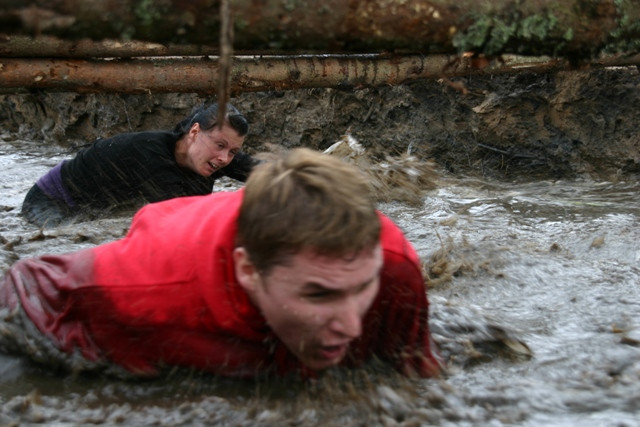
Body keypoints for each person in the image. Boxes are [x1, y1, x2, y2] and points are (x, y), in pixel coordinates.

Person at [1, 148, 442, 379]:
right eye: (318, 293)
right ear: (248, 271)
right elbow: (24, 288)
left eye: (360, 288)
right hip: (175, 243)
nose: (352, 325)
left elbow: (416, 375)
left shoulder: (393, 270)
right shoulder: (140, 290)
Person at [21, 102, 257, 227]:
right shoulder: (150, 155)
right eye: (220, 145)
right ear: (195, 132)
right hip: (50, 200)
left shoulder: (212, 157)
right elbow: (183, 219)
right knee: (65, 243)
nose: (225, 159)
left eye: (233, 151)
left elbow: (269, 172)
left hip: (93, 206)